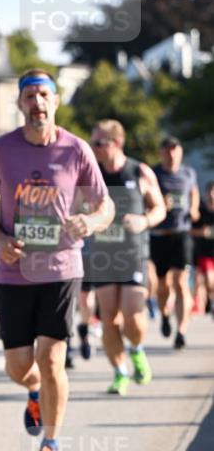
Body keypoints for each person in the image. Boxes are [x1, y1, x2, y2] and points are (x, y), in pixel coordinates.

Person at [0, 69, 113, 451]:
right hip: (14, 270)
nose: (37, 103)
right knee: (19, 365)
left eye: (44, 95)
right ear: (20, 104)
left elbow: (104, 205)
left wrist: (89, 223)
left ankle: (50, 444)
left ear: (56, 102)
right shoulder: (1, 149)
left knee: (53, 357)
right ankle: (33, 389)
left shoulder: (76, 150)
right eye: (30, 96)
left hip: (61, 268)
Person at [87, 120, 166, 395]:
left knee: (133, 316)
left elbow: (160, 209)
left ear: (116, 143)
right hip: (104, 255)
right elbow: (77, 204)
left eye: (99, 143)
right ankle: (120, 372)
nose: (94, 148)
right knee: (109, 318)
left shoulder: (139, 171)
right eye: (92, 143)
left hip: (133, 254)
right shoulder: (92, 174)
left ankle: (136, 349)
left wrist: (144, 221)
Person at [150, 137, 199, 349]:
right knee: (162, 285)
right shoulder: (153, 173)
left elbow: (193, 191)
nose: (171, 154)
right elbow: (144, 197)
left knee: (180, 281)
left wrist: (194, 208)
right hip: (160, 235)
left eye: (175, 150)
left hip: (182, 233)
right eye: (167, 150)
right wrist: (160, 202)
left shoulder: (188, 173)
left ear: (180, 152)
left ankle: (181, 331)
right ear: (161, 153)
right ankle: (165, 315)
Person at [192, 180, 214, 318]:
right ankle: (210, 302)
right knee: (208, 279)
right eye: (210, 191)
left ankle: (211, 302)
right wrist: (201, 232)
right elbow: (190, 230)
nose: (212, 194)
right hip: (204, 252)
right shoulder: (201, 210)